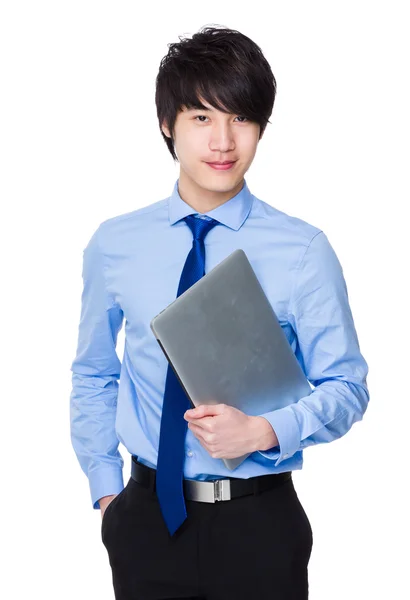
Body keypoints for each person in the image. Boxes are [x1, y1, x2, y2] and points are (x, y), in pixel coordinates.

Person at [69, 24, 370, 600]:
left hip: (260, 525)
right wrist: (108, 493)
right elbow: (93, 372)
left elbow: (347, 386)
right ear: (168, 126)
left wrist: (264, 430)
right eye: (202, 118)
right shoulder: (115, 244)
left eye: (242, 119)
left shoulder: (303, 249)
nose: (224, 142)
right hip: (146, 521)